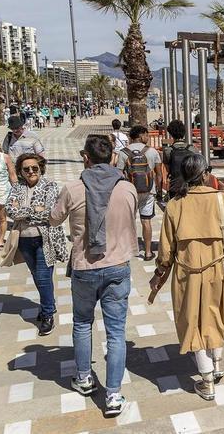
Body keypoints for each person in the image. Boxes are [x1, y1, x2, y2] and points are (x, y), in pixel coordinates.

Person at [50, 135, 138, 417]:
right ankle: (113, 395)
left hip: (85, 267)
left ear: (84, 157)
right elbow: (129, 219)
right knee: (116, 333)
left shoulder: (73, 188)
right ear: (113, 158)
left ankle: (85, 377)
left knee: (83, 323)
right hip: (117, 266)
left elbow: (54, 218)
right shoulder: (126, 188)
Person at [150, 154, 224, 401]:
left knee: (192, 321)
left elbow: (165, 250)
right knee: (215, 315)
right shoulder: (222, 200)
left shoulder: (175, 205)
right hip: (218, 271)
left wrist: (159, 272)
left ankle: (206, 381)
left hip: (186, 273)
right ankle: (217, 366)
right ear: (205, 174)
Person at [3, 153, 67, 335]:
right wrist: (33, 210)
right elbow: (9, 210)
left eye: (34, 168)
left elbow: (49, 213)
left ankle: (47, 314)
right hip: (24, 238)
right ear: (20, 171)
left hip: (44, 238)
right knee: (36, 275)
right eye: (26, 169)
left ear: (41, 168)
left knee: (43, 277)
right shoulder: (17, 187)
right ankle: (48, 306)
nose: (31, 171)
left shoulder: (50, 186)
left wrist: (22, 211)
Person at [117, 125, 162, 260]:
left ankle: (128, 250)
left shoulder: (123, 152)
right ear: (141, 135)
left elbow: (119, 173)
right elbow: (159, 174)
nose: (147, 137)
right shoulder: (152, 152)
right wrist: (158, 190)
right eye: (146, 135)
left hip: (130, 191)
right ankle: (148, 252)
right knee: (146, 221)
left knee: (129, 221)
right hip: (148, 192)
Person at [162, 120, 196, 198]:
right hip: (191, 185)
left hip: (175, 185)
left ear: (171, 134)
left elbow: (167, 170)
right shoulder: (192, 149)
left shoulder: (168, 150)